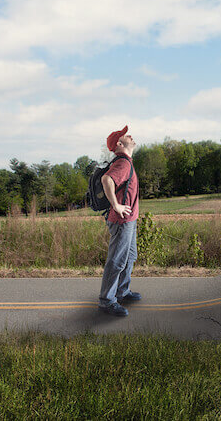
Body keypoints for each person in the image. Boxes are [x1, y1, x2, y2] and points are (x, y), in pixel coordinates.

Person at [98, 124, 141, 317]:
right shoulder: (122, 163)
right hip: (122, 221)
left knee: (129, 257)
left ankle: (122, 292)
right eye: (126, 135)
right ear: (119, 143)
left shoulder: (126, 162)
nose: (130, 137)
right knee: (116, 261)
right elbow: (107, 180)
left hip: (129, 220)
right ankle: (107, 301)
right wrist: (116, 205)